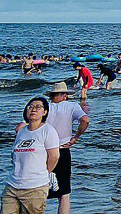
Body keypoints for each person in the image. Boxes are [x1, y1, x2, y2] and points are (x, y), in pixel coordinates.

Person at [1, 97, 60, 214]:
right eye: (30, 107)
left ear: (45, 112)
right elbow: (15, 156)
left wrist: (43, 173)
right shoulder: (21, 132)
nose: (33, 109)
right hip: (13, 184)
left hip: (35, 187)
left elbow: (54, 157)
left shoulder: (48, 130)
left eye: (38, 107)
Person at [44, 83, 90, 214]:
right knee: (64, 193)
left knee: (40, 189)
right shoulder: (71, 106)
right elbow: (85, 120)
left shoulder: (45, 107)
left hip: (44, 151)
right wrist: (76, 137)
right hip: (62, 149)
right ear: (64, 95)